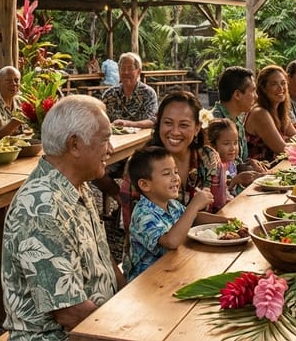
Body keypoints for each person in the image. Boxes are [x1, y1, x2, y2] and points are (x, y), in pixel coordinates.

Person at [1, 95, 125, 340]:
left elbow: (101, 255)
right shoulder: (41, 209)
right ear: (75, 144)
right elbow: (71, 314)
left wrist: (127, 298)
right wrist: (126, 330)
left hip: (97, 323)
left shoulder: (75, 184)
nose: (111, 149)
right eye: (105, 140)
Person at [119, 91, 228, 233]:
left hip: (208, 244)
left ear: (197, 128)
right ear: (159, 124)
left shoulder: (209, 159)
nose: (175, 132)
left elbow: (219, 209)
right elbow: (131, 225)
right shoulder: (139, 163)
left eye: (183, 125)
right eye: (168, 123)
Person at [123, 146, 216, 281]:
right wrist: (194, 205)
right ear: (144, 185)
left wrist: (229, 221)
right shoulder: (143, 215)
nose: (175, 178)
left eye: (176, 172)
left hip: (173, 269)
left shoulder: (171, 203)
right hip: (147, 283)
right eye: (167, 174)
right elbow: (171, 241)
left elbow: (194, 218)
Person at [94, 52, 158, 208]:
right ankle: (121, 199)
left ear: (139, 71)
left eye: (130, 68)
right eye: (122, 68)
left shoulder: (148, 93)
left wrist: (130, 124)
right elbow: (100, 120)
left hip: (139, 150)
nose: (126, 72)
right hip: (113, 148)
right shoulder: (110, 94)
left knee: (137, 171)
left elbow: (153, 120)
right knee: (95, 170)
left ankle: (134, 204)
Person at [244, 65, 296, 164]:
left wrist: (290, 141)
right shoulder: (260, 113)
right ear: (264, 88)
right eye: (274, 84)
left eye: (283, 83)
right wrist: (288, 140)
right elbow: (283, 150)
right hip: (260, 173)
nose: (281, 88)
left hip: (276, 167)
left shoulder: (279, 111)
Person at [210, 66, 257, 167]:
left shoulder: (237, 121)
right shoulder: (213, 123)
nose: (256, 96)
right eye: (252, 91)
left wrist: (250, 163)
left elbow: (240, 160)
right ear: (237, 95)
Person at [207, 118, 259, 194]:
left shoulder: (231, 163)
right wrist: (236, 180)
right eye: (226, 144)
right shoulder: (213, 168)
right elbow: (218, 195)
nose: (232, 148)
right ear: (213, 146)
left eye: (235, 143)